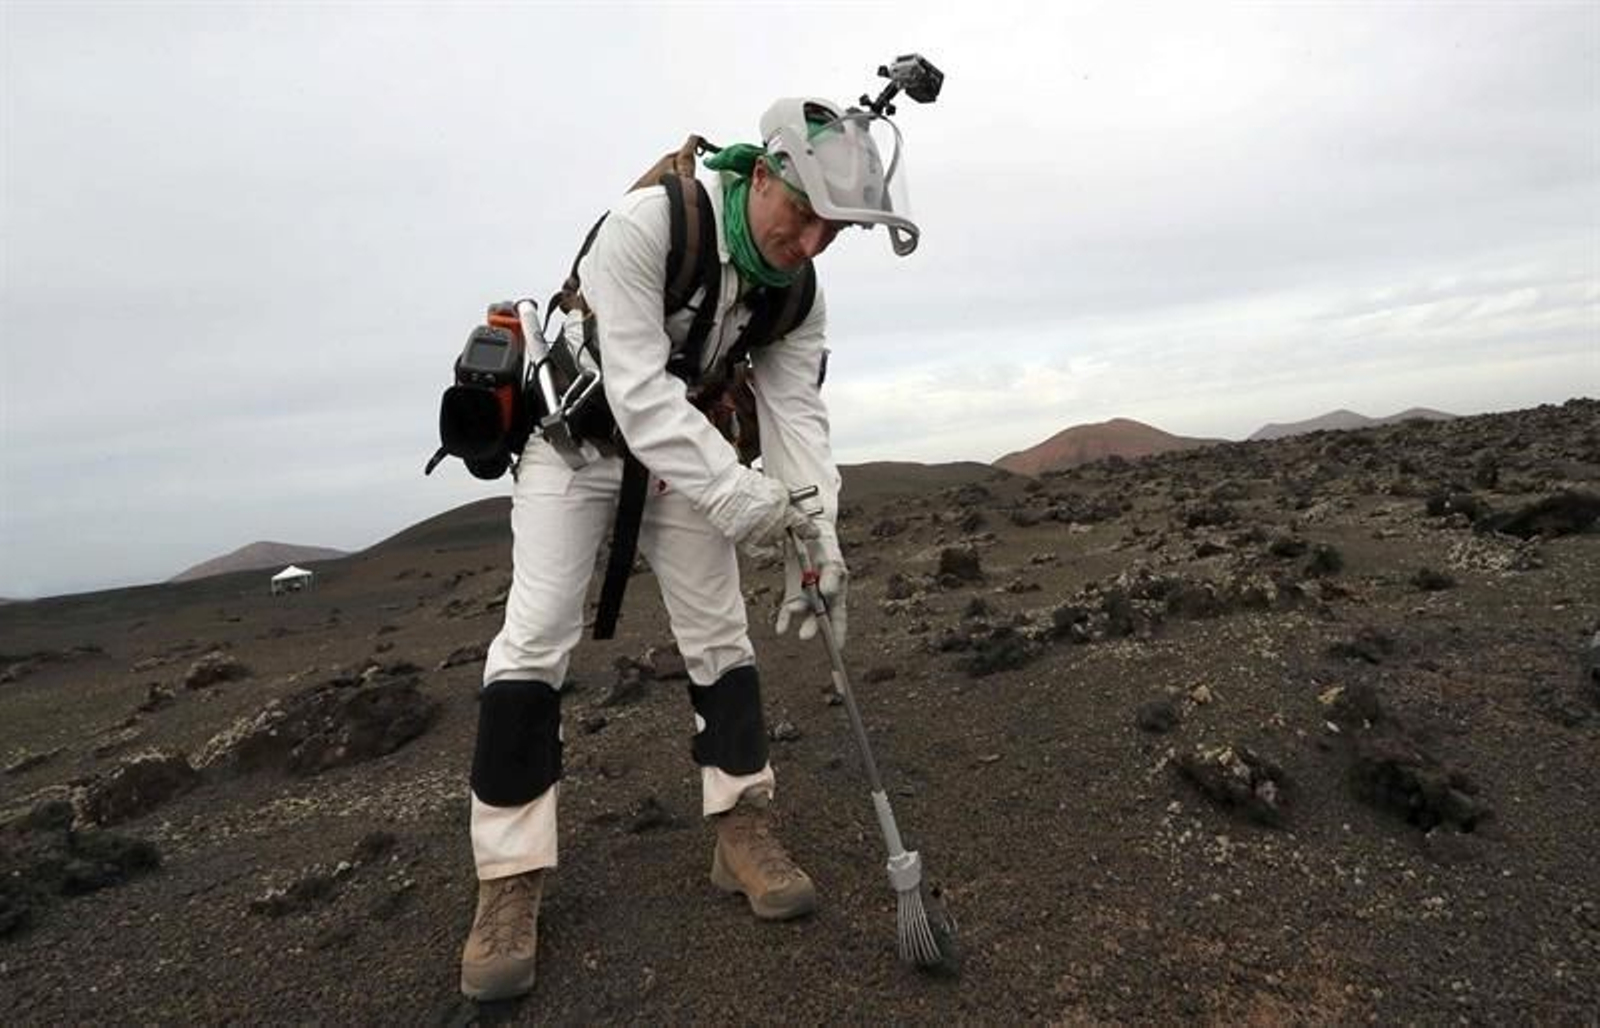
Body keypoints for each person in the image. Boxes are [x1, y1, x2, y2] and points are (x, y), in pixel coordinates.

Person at [459, 96, 920, 1001]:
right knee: (536, 637)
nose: (812, 242)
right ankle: (508, 879)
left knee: (720, 634)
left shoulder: (799, 296)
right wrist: (739, 496)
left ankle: (741, 824)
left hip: (685, 461)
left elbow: (796, 417)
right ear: (761, 174)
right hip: (577, 448)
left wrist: (814, 530)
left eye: (835, 230)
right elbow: (635, 395)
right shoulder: (647, 228)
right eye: (803, 215)